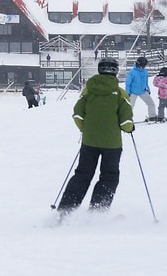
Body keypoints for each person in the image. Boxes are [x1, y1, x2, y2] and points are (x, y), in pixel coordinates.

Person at [55, 57, 135, 215]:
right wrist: (130, 127)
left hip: (89, 142)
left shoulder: (88, 90)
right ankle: (97, 211)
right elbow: (126, 122)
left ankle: (66, 209)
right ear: (115, 72)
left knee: (82, 175)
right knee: (109, 176)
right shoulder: (120, 93)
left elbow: (77, 114)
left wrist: (86, 129)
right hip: (112, 144)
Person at [125, 56, 159, 122]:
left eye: (144, 65)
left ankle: (152, 116)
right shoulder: (132, 72)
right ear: (139, 64)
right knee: (130, 106)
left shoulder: (145, 71)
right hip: (133, 92)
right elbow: (128, 83)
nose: (144, 67)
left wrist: (148, 89)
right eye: (143, 65)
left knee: (151, 103)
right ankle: (126, 119)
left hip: (142, 91)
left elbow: (146, 81)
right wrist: (128, 92)